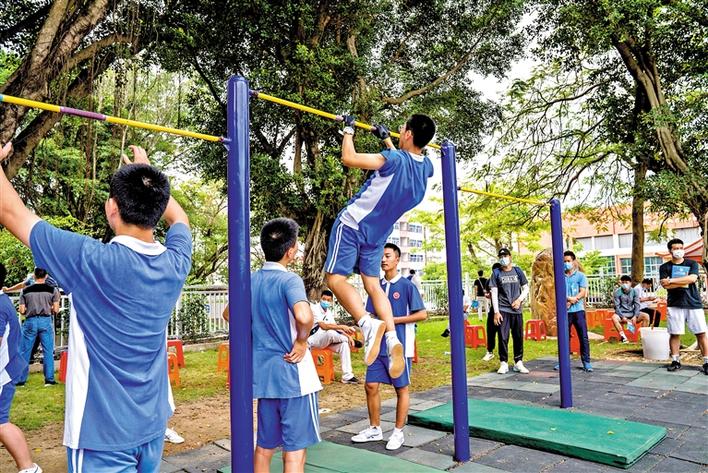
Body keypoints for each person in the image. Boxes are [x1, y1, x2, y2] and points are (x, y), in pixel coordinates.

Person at [0, 141, 192, 472]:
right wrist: (148, 177)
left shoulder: (91, 260)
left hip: (101, 435)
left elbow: (10, 212)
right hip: (151, 426)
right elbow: (179, 218)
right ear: (158, 206)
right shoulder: (175, 262)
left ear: (111, 207)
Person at [324, 114, 435, 380]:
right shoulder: (426, 168)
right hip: (377, 235)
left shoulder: (394, 160)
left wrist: (348, 129)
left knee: (335, 279)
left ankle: (367, 324)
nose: (399, 129)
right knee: (373, 286)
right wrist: (386, 139)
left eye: (402, 127)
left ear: (408, 134)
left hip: (352, 224)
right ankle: (392, 338)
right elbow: (405, 163)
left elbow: (349, 158)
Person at [252, 218, 322, 472]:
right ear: (290, 251)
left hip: (266, 376)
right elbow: (304, 316)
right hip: (295, 377)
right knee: (294, 453)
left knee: (264, 447)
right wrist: (302, 342)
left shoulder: (251, 280)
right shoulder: (289, 280)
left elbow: (229, 314)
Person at [352, 243, 427, 450]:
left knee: (401, 389)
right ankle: (374, 429)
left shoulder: (407, 286)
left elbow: (422, 314)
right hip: (378, 346)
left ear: (397, 259)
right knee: (370, 386)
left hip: (399, 346)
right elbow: (371, 313)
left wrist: (394, 320)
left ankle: (398, 432)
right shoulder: (375, 287)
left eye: (387, 256)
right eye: (381, 257)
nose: (383, 260)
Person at [0, 262, 43, 473]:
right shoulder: (3, 301)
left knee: (1, 423)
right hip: (7, 369)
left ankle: (28, 467)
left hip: (3, 373)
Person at [659, 239, 707, 374]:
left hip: (693, 303)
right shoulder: (665, 267)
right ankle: (675, 361)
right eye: (676, 248)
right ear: (670, 250)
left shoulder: (692, 263)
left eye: (681, 247)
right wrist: (681, 281)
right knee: (674, 333)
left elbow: (692, 279)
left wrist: (671, 280)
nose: (679, 250)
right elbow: (666, 286)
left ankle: (706, 362)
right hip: (674, 304)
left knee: (701, 333)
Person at [16, 268, 60, 386]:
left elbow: (21, 310)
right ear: (46, 276)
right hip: (45, 321)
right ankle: (49, 380)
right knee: (48, 351)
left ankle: (20, 380)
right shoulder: (53, 290)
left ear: (34, 276)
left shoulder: (25, 290)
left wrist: (29, 310)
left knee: (25, 351)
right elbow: (56, 309)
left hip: (30, 321)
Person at [489, 248, 530, 374]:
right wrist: (496, 312)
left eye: (505, 256)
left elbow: (526, 288)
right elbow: (494, 293)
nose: (503, 258)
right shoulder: (496, 273)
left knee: (518, 337)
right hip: (503, 309)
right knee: (503, 337)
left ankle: (518, 362)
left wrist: (519, 300)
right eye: (501, 256)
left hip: (516, 310)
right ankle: (503, 363)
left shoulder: (518, 271)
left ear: (510, 256)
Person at [308, 289, 361, 384]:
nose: (325, 302)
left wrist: (348, 336)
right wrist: (342, 327)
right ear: (320, 298)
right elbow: (324, 326)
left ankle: (347, 376)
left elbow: (336, 328)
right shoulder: (314, 309)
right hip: (314, 340)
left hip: (326, 341)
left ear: (331, 301)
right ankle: (350, 341)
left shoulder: (328, 312)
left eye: (328, 300)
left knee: (344, 345)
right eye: (324, 299)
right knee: (330, 332)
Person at [559, 251, 592, 372]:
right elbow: (558, 292)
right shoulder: (560, 276)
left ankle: (586, 362)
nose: (566, 263)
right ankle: (563, 362)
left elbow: (583, 292)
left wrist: (573, 300)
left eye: (568, 261)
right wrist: (568, 299)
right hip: (565, 312)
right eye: (564, 261)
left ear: (573, 261)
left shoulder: (580, 276)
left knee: (583, 336)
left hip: (578, 310)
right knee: (564, 337)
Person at [611, 275, 648, 343]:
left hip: (632, 313)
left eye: (626, 282)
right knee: (614, 317)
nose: (624, 284)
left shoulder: (634, 291)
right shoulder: (617, 292)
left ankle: (643, 337)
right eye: (623, 282)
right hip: (621, 314)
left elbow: (637, 305)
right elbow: (616, 306)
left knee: (646, 316)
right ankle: (623, 337)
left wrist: (635, 316)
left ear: (630, 283)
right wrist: (622, 317)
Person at [481, 263, 502, 362]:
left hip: (505, 309)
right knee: (491, 330)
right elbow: (487, 293)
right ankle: (490, 351)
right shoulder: (489, 280)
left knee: (503, 332)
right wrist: (488, 295)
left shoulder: (505, 280)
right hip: (493, 309)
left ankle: (503, 354)